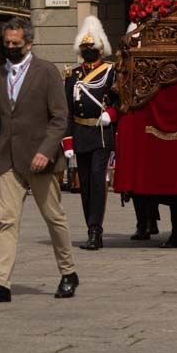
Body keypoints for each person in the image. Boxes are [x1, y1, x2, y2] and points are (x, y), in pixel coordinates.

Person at [0, 17, 79, 304]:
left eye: (15, 44)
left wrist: (46, 150)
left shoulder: (47, 72)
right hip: (8, 159)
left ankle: (68, 272)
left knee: (53, 217)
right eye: (6, 43)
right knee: (6, 221)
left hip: (40, 158)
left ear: (28, 43)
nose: (10, 47)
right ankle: (1, 283)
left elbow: (60, 118)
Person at [65, 16, 116, 251]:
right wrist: (67, 142)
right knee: (84, 184)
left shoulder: (110, 72)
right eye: (84, 47)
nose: (88, 50)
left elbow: (121, 100)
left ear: (100, 48)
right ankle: (90, 227)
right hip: (80, 132)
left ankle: (96, 229)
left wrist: (112, 114)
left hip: (101, 132)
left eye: (91, 46)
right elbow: (65, 109)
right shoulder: (72, 76)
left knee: (97, 181)